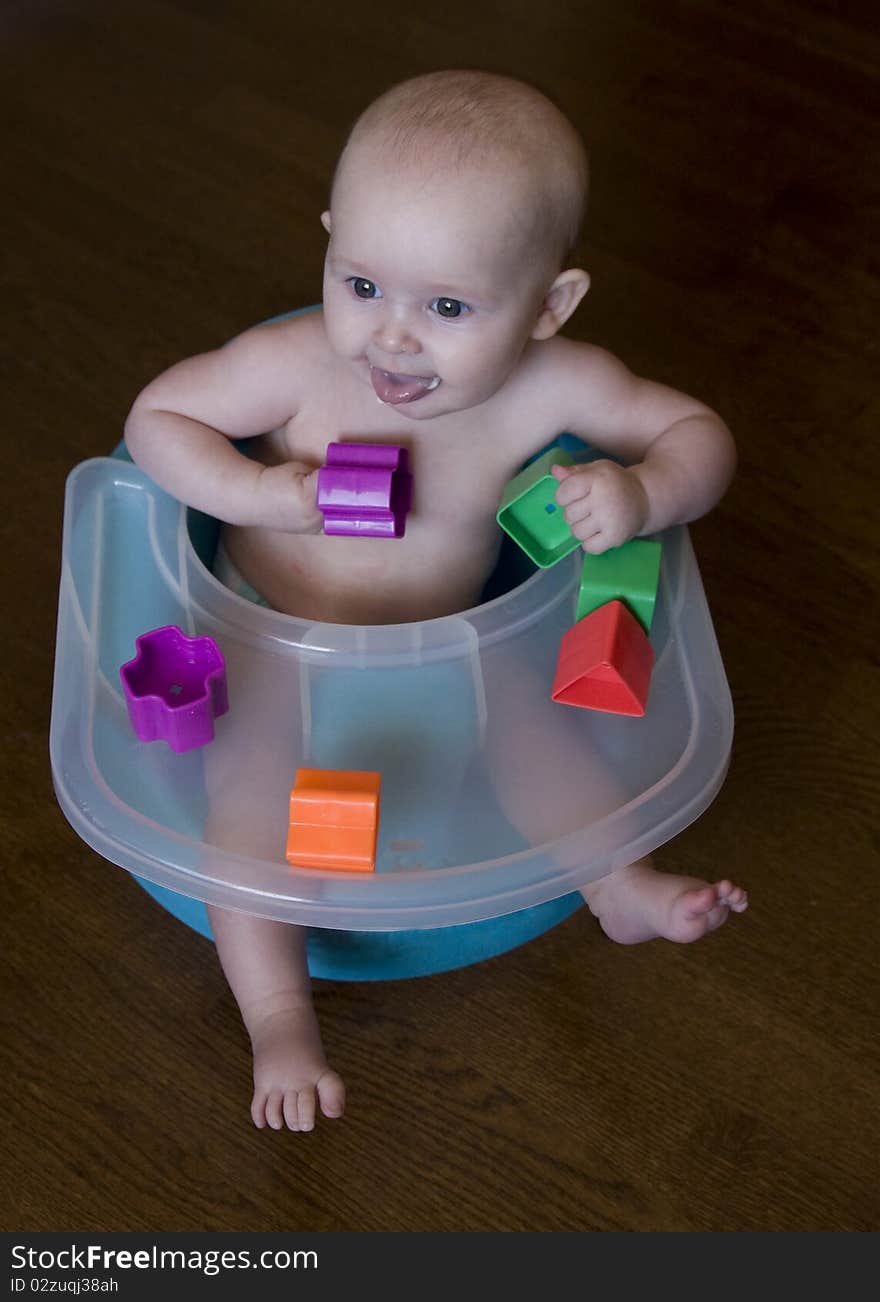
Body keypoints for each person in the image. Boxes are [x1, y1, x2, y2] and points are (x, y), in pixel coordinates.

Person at [124, 69, 747, 1134]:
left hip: (453, 642)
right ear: (328, 242)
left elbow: (701, 436)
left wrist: (642, 492)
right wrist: (262, 491)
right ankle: (279, 1019)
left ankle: (617, 884)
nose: (391, 340)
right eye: (360, 285)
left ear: (550, 307)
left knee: (539, 741)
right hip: (273, 640)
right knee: (249, 810)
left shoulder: (555, 386)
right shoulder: (293, 366)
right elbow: (157, 420)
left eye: (449, 308)